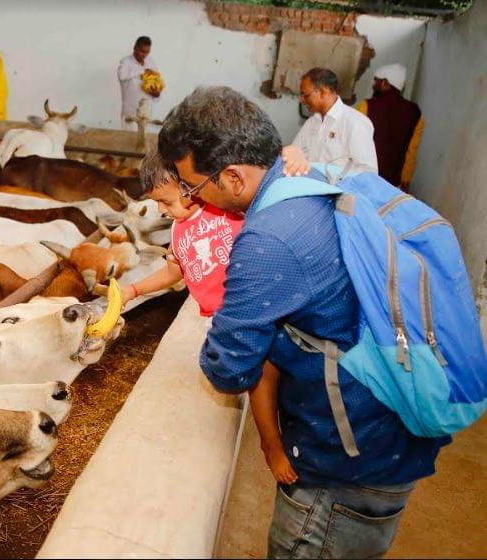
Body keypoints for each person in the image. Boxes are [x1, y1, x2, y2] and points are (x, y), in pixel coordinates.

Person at [158, 86, 448, 559]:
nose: (196, 201)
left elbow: (228, 369)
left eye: (194, 188)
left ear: (232, 177)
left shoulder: (269, 238)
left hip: (348, 462)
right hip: (393, 427)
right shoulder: (312, 177)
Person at [124, 146, 310, 486]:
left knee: (281, 372)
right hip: (222, 321)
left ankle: (284, 434)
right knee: (259, 378)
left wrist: (292, 154)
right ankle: (272, 446)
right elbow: (172, 275)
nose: (163, 212)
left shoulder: (226, 210)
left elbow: (267, 176)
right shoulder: (178, 233)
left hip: (255, 306)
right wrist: (131, 291)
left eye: (165, 201)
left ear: (188, 186)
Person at [294, 67, 378, 173]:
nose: (302, 100)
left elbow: (368, 172)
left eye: (306, 95)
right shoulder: (312, 122)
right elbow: (295, 153)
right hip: (309, 186)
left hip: (339, 189)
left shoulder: (355, 122)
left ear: (323, 92)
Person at [356, 64, 424, 192]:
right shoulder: (416, 113)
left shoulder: (366, 106)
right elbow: (411, 151)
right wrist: (406, 180)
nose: (373, 84)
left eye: (376, 80)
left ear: (385, 83)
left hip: (365, 179)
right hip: (392, 184)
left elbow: (354, 142)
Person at [117, 36, 159, 131]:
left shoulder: (151, 62)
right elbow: (122, 76)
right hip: (131, 114)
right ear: (135, 48)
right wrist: (141, 72)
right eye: (142, 51)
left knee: (145, 144)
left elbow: (157, 81)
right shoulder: (126, 62)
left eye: (147, 52)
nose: (144, 55)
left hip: (147, 114)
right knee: (128, 144)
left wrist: (156, 93)